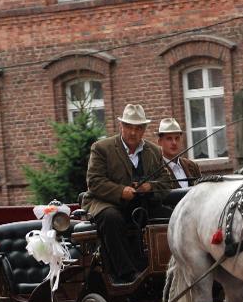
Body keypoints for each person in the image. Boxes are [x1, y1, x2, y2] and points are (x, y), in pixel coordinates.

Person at [82, 104, 173, 284]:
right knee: (111, 218)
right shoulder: (102, 148)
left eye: (138, 128)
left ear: (144, 130)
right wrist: (121, 191)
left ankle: (168, 268)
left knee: (172, 218)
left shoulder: (154, 151)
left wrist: (150, 187)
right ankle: (126, 274)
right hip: (107, 203)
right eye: (129, 127)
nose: (133, 132)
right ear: (121, 126)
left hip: (143, 205)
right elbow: (94, 181)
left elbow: (166, 183)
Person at [156, 118, 200, 188]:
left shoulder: (192, 166)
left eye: (177, 138)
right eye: (169, 138)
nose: (174, 143)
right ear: (160, 141)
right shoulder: (155, 169)